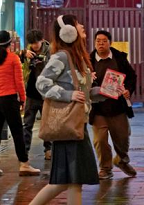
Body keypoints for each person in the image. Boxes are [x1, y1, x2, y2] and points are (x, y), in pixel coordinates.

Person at [30, 14, 104, 205]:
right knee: (68, 181)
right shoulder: (62, 56)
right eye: (78, 24)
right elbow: (42, 83)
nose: (82, 27)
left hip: (77, 125)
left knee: (72, 181)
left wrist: (105, 92)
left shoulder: (76, 57)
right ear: (68, 32)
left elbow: (83, 94)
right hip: (69, 126)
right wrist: (67, 95)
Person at [0, 30, 39, 178]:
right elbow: (19, 81)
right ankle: (24, 164)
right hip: (9, 99)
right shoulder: (13, 58)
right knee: (17, 132)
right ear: (9, 43)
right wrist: (22, 99)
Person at [89, 29, 137, 180]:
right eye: (98, 41)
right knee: (100, 140)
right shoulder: (88, 61)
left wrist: (128, 90)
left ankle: (122, 160)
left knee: (122, 139)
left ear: (110, 43)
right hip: (98, 108)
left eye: (104, 41)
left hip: (117, 107)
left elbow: (131, 76)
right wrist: (88, 78)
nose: (101, 44)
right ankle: (105, 168)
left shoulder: (119, 58)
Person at [21, 28, 51, 159]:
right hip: (31, 93)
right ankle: (25, 151)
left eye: (36, 43)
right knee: (27, 123)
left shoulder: (50, 51)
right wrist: (23, 54)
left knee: (47, 123)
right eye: (32, 43)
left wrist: (42, 63)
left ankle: (48, 149)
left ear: (42, 40)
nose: (34, 46)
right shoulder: (27, 51)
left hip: (46, 93)